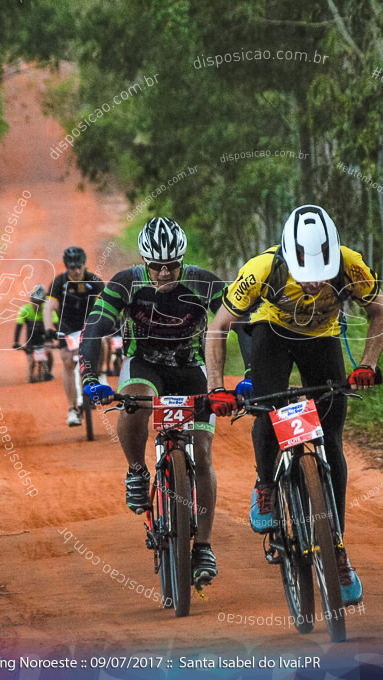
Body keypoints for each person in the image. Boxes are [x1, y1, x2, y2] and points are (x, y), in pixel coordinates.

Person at [205, 204, 383, 605]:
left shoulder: (349, 264)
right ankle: (266, 486)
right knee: (268, 406)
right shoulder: (261, 268)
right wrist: (217, 387)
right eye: (305, 277)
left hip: (321, 339)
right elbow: (218, 327)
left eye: (320, 277)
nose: (313, 285)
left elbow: (380, 312)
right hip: (272, 332)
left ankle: (337, 548)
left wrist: (367, 365)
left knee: (331, 438)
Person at [78, 217, 243, 586]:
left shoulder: (204, 282)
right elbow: (94, 328)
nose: (165, 272)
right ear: (144, 261)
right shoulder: (127, 283)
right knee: (134, 399)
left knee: (202, 452)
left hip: (191, 369)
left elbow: (241, 322)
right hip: (144, 365)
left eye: (172, 265)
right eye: (157, 266)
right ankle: (137, 470)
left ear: (183, 259)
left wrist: (249, 375)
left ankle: (203, 546)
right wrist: (92, 379)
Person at [44, 246, 106, 426]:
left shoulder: (93, 280)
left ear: (84, 265)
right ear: (67, 267)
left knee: (101, 342)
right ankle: (72, 409)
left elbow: (107, 303)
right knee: (67, 362)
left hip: (89, 323)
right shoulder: (59, 282)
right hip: (67, 326)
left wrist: (108, 322)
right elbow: (48, 307)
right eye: (72, 268)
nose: (77, 271)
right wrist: (49, 329)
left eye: (79, 266)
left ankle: (100, 373)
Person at [12, 284, 57, 382]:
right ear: (31, 301)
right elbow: (19, 326)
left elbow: (57, 324)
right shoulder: (25, 310)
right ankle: (30, 377)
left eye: (40, 303)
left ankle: (48, 372)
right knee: (31, 362)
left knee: (49, 351)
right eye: (35, 302)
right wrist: (16, 342)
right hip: (31, 339)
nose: (37, 305)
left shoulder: (48, 309)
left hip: (46, 337)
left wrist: (61, 339)